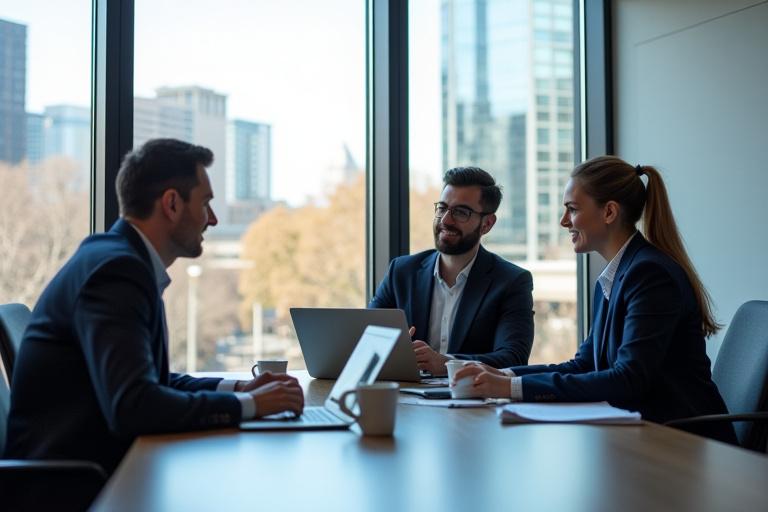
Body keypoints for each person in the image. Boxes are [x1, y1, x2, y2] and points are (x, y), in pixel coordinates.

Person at [5, 139, 304, 475]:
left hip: (97, 471)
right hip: (74, 487)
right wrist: (249, 405)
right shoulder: (117, 272)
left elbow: (151, 383)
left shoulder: (116, 258)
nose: (213, 219)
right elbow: (134, 405)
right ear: (172, 204)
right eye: (205, 203)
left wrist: (240, 390)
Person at [454, 156, 735, 443]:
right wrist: (504, 374)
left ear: (609, 212)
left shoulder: (649, 275)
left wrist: (509, 388)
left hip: (684, 441)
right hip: (643, 435)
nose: (564, 221)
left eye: (572, 209)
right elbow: (584, 364)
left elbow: (628, 379)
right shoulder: (615, 276)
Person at [369, 167, 534, 375]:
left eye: (461, 212)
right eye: (442, 208)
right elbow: (366, 339)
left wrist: (446, 363)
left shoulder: (511, 281)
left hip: (471, 394)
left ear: (487, 224)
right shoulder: (401, 272)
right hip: (405, 391)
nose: (446, 220)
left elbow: (513, 357)